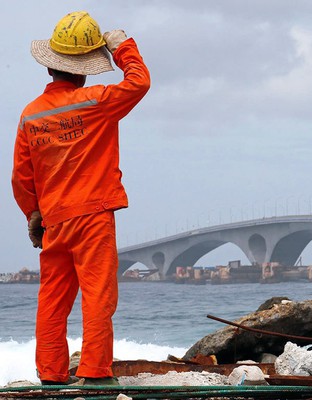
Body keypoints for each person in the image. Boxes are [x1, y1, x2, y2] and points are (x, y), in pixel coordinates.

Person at [11, 11, 150, 386]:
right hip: (92, 217)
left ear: (51, 66)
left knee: (52, 302)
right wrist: (122, 46)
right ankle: (94, 373)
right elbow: (139, 82)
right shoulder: (97, 102)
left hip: (54, 222)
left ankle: (51, 374)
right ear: (85, 68)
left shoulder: (29, 116)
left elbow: (22, 179)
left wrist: (33, 215)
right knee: (97, 298)